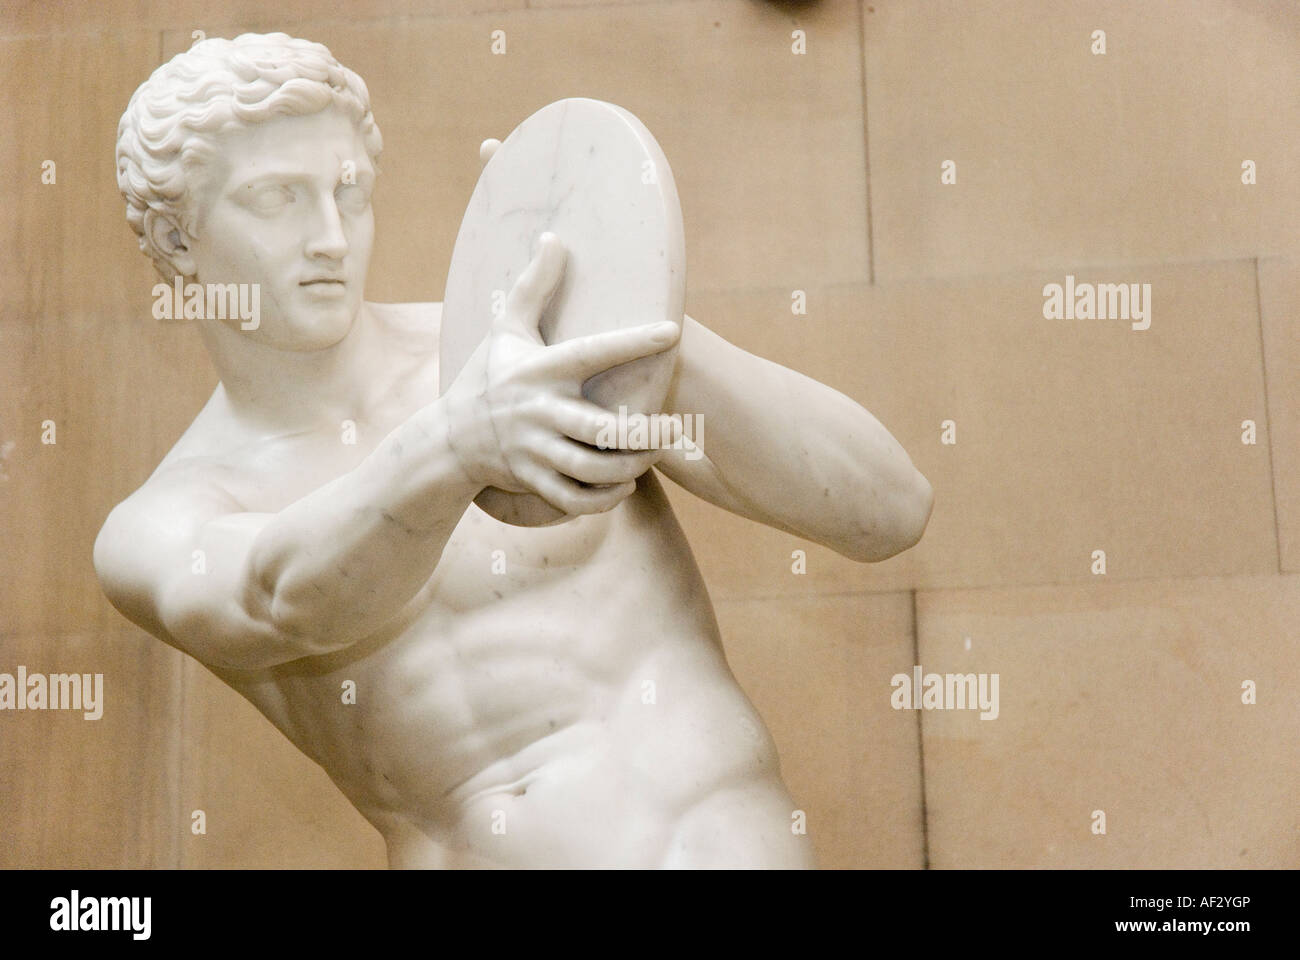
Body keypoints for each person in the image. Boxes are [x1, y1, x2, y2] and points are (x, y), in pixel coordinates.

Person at [96, 32, 933, 868]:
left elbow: (889, 511)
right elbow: (276, 599)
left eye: (349, 192)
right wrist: (457, 444)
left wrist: (639, 318)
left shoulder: (536, 348)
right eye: (277, 198)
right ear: (178, 240)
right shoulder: (168, 519)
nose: (330, 236)